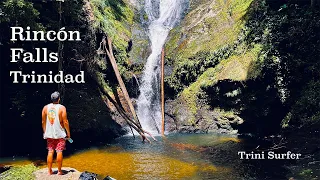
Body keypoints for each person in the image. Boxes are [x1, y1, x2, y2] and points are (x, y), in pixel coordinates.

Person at [42, 91, 71, 175]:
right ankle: (59, 171)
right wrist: (68, 133)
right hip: (60, 134)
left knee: (50, 151)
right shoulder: (62, 108)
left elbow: (43, 121)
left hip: (49, 134)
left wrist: (45, 132)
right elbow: (65, 122)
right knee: (59, 151)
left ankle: (49, 171)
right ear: (59, 99)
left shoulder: (45, 108)